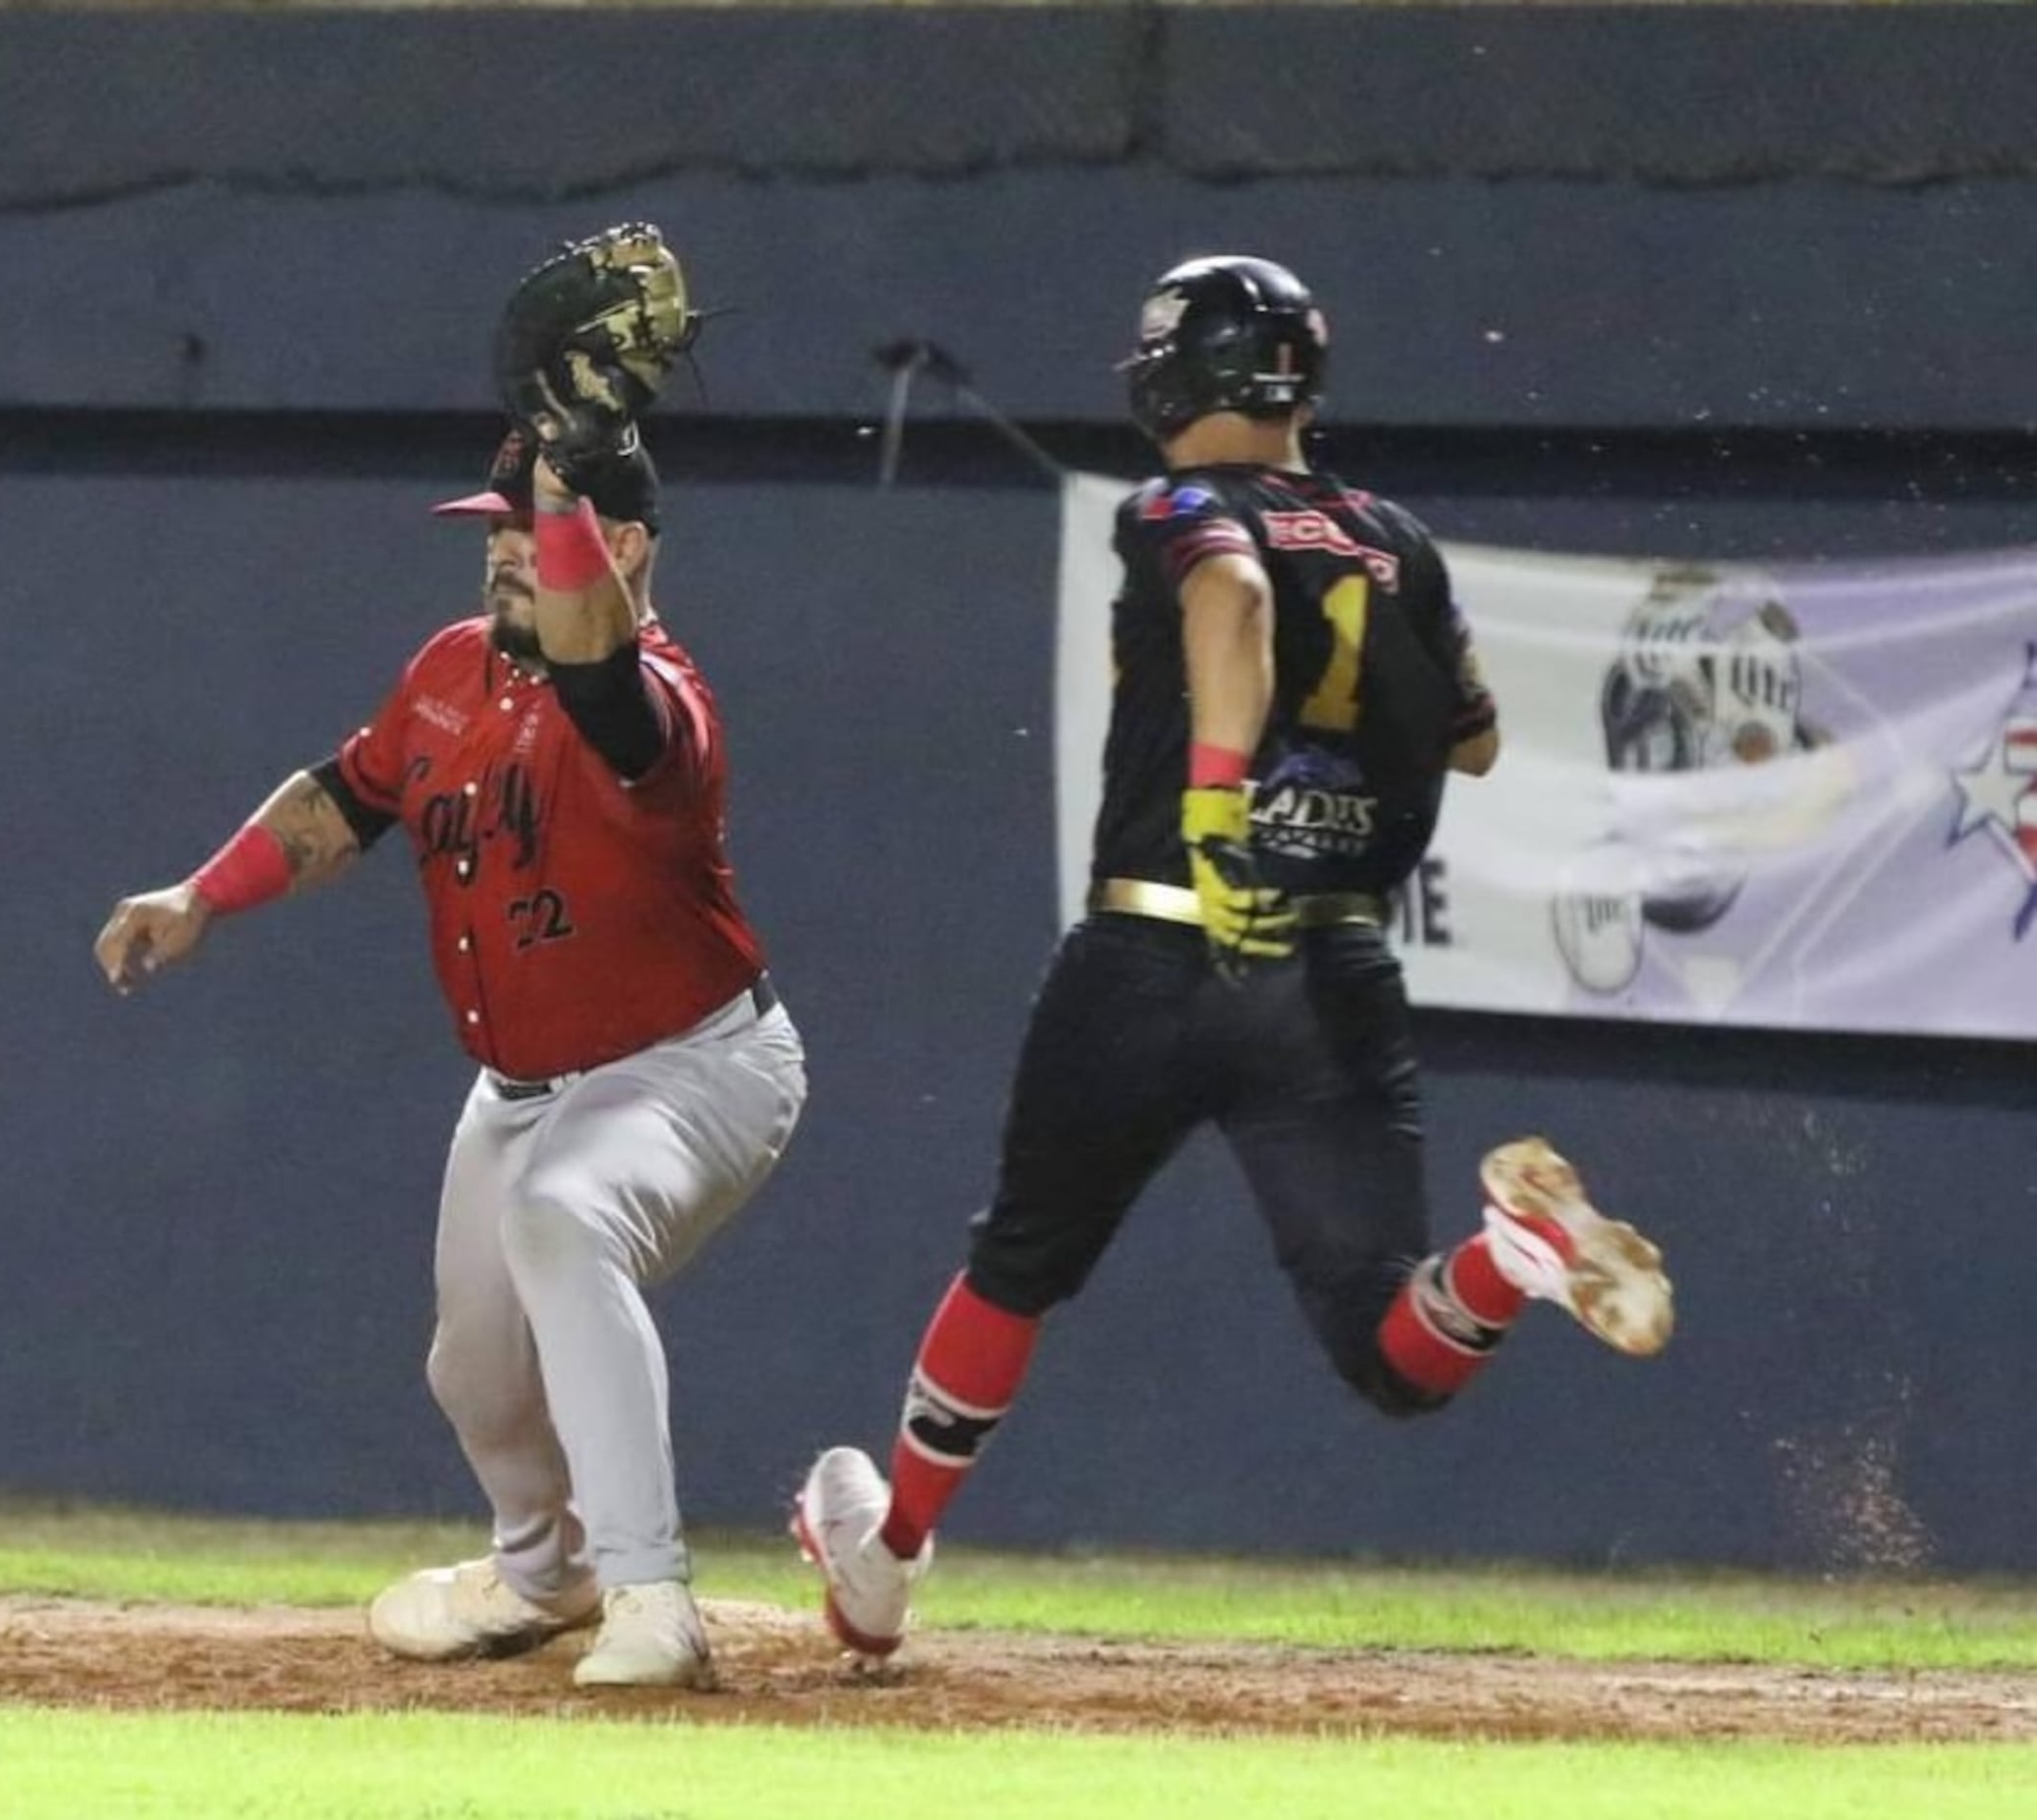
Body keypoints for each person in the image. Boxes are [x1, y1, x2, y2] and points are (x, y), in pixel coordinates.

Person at [792, 254, 1675, 1658]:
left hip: (1159, 945)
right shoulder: (1402, 536)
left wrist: (1216, 797)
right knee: (1395, 1350)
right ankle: (1513, 1261)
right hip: (1330, 976)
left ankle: (889, 1556)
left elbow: (1236, 601)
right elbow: (1479, 737)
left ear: (1176, 374)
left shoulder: (1180, 506)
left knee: (1018, 1265)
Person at [96, 425, 807, 1689]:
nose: (503, 552)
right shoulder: (451, 669)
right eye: (497, 527)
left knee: (563, 1221)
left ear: (624, 546)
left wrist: (576, 526)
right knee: (471, 1367)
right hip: (520, 1084)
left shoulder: (658, 701)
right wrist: (204, 892)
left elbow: (606, 691)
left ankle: (653, 1594)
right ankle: (543, 1572)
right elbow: (353, 793)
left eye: (535, 527)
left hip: (691, 1065)